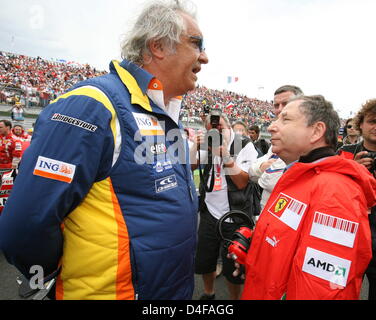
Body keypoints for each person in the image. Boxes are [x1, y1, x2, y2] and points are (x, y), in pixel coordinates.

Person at [0, 0, 208, 300]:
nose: (205, 56)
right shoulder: (93, 106)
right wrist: (52, 275)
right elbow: (25, 224)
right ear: (159, 45)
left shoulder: (164, 112)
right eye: (197, 43)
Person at [240, 95, 375, 300]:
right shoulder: (298, 176)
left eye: (285, 119)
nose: (273, 126)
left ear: (316, 131)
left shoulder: (336, 192)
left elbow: (322, 288)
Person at [190, 110, 259, 300]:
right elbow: (190, 167)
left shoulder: (244, 144)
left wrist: (227, 157)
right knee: (206, 260)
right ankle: (209, 293)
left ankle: (234, 299)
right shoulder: (207, 144)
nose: (217, 130)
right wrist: (195, 147)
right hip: (209, 212)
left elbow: (243, 182)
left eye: (220, 126)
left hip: (235, 214)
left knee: (232, 265)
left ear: (228, 127)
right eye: (211, 128)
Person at [337, 99, 376, 300]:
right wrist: (352, 169)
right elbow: (330, 190)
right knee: (340, 287)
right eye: (372, 121)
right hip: (347, 231)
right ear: (361, 124)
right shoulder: (343, 153)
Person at [249, 85, 303, 210]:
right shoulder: (277, 139)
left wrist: (264, 170)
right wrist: (262, 168)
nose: (280, 110)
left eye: (286, 104)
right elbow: (251, 172)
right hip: (267, 215)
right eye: (276, 105)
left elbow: (270, 182)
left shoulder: (301, 142)